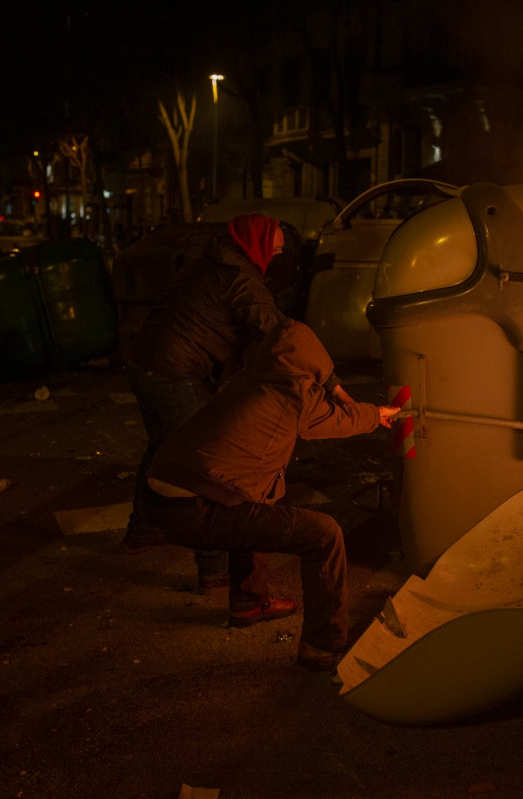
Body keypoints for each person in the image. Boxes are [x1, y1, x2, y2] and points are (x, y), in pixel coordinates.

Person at [143, 319, 399, 671]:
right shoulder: (293, 394)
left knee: (259, 506)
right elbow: (337, 420)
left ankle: (248, 601)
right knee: (323, 535)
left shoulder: (250, 380)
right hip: (194, 508)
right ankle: (324, 647)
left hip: (158, 495)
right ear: (314, 361)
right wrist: (376, 414)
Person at [122, 213, 354, 593]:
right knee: (203, 467)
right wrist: (331, 384)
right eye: (275, 250)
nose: (278, 257)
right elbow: (282, 334)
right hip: (175, 371)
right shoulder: (240, 279)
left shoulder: (209, 265)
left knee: (164, 450)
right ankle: (215, 570)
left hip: (145, 365)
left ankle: (143, 530)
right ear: (258, 246)